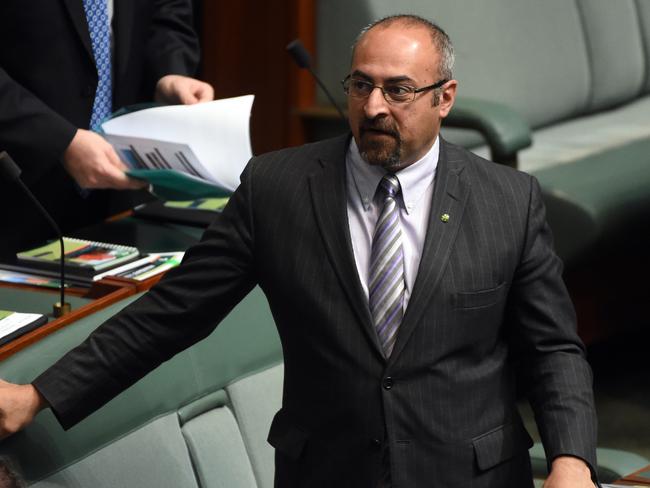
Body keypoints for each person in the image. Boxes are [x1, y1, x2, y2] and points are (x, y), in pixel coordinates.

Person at [0, 15, 598, 488]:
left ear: (445, 98)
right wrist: (41, 393)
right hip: (328, 472)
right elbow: (171, 315)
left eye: (399, 90)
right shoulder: (276, 189)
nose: (373, 108)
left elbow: (552, 348)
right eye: (361, 85)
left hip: (473, 476)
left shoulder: (507, 201)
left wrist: (572, 460)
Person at [0, 0, 213, 256]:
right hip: (17, 191)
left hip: (122, 195)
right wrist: (60, 140)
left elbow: (166, 11)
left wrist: (168, 72)